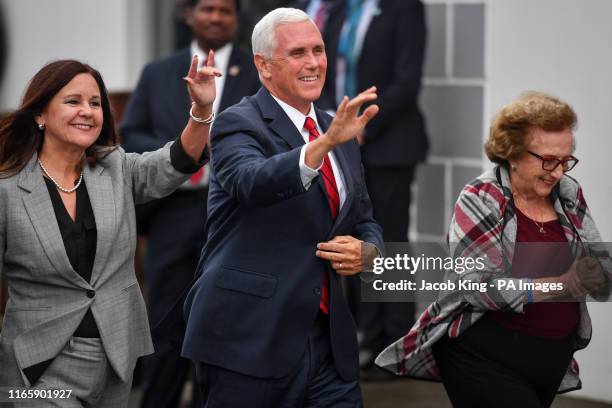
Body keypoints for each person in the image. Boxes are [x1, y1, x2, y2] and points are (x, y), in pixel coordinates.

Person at [181, 8, 383, 407]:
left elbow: (362, 216)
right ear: (264, 65)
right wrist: (322, 145)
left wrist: (368, 252)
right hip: (249, 338)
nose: (313, 63)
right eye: (298, 53)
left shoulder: (335, 125)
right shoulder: (237, 123)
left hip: (329, 344)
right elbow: (253, 183)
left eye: (319, 50)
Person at [0, 55, 218, 407]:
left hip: (115, 359)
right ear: (40, 114)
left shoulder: (113, 168)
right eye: (72, 101)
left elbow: (174, 162)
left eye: (95, 103)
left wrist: (201, 110)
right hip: (38, 369)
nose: (87, 111)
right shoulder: (7, 192)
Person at [376, 92, 611, 408]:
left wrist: (597, 274)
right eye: (548, 160)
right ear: (513, 153)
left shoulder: (568, 192)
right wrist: (562, 285)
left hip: (551, 357)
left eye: (566, 160)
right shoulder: (481, 197)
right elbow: (475, 288)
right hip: (482, 354)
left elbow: (601, 267)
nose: (557, 172)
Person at [119, 1, 259, 406]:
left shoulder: (260, 72)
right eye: (207, 8)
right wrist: (183, 153)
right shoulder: (159, 71)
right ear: (189, 15)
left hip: (236, 217)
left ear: (236, 19)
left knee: (223, 326)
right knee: (165, 323)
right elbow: (132, 135)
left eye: (225, 11)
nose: (216, 17)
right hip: (174, 213)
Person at [301, 0, 429, 378]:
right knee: (352, 240)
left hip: (388, 143)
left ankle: (395, 346)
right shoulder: (338, 10)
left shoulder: (404, 8)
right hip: (339, 141)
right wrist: (330, 130)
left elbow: (406, 80)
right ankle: (365, 338)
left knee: (388, 244)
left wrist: (363, 128)